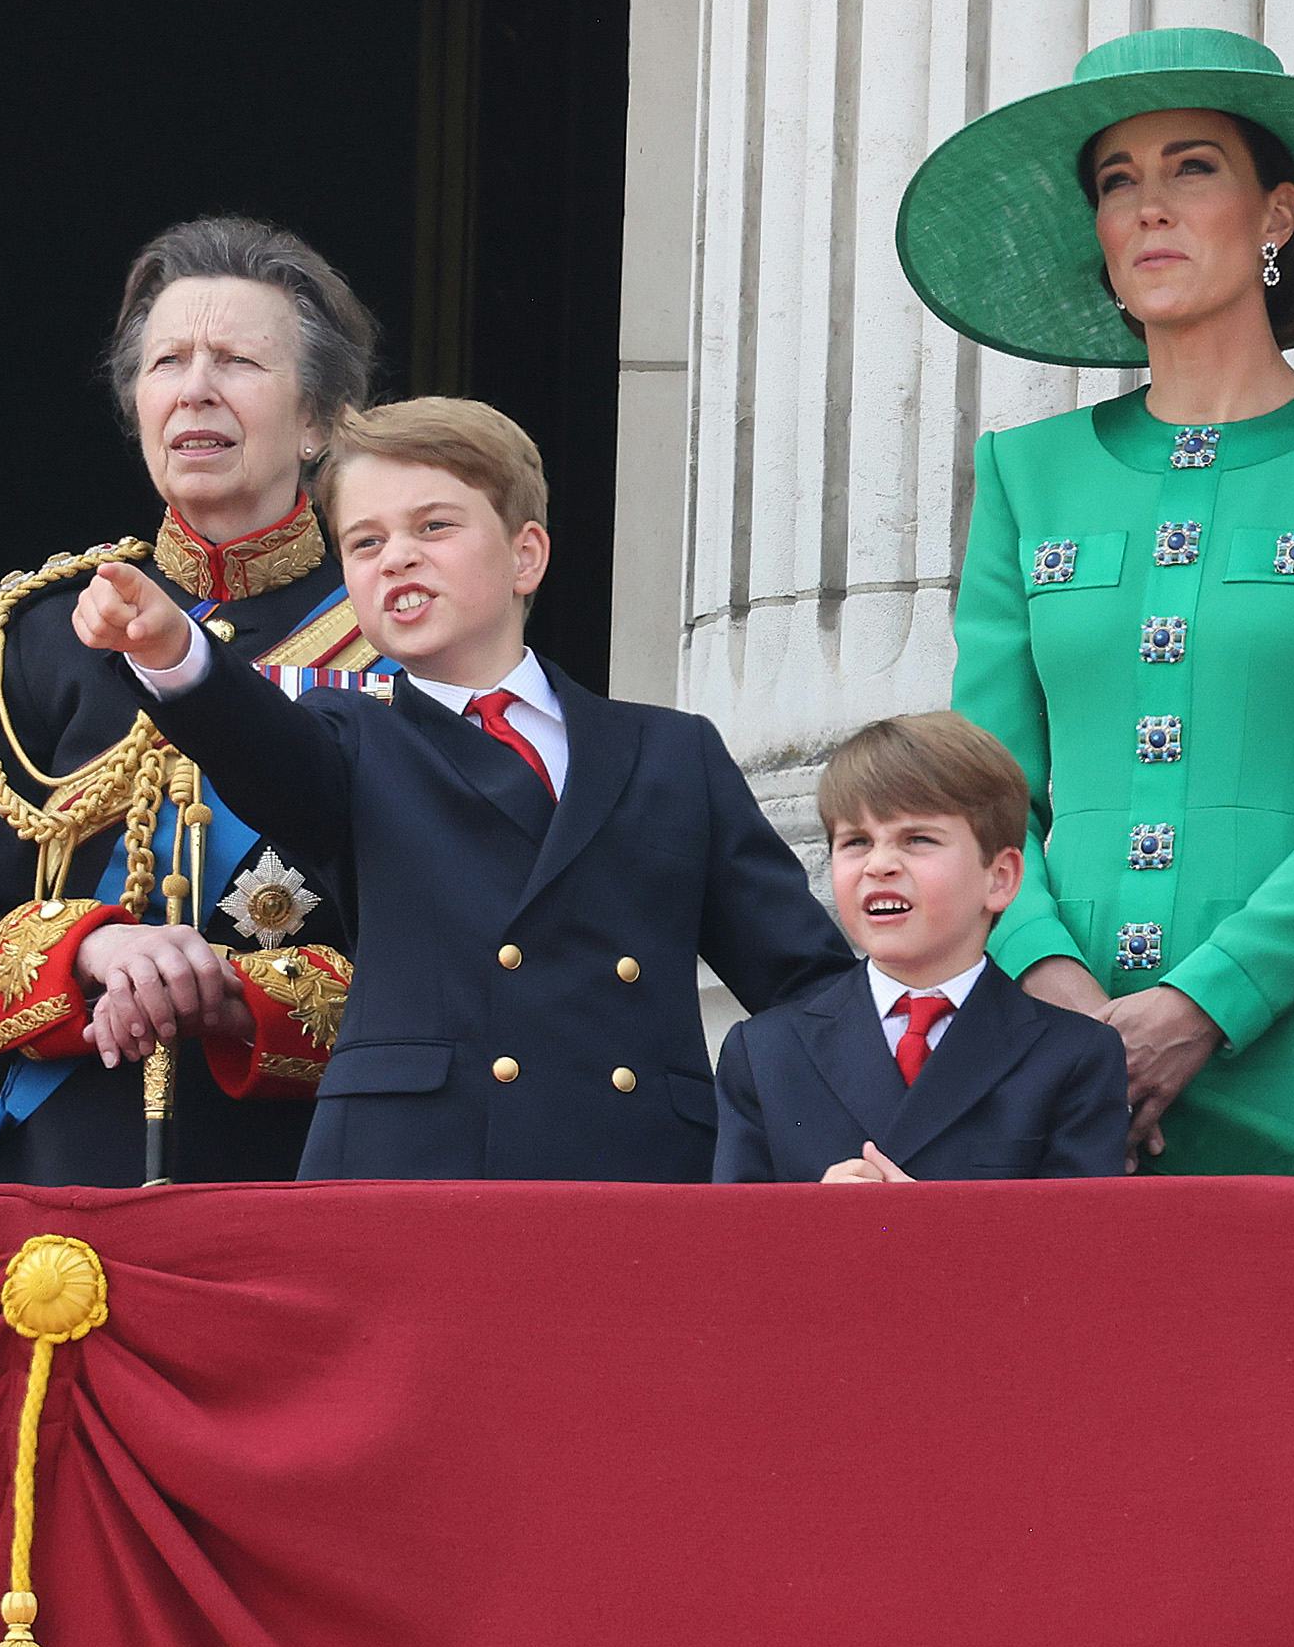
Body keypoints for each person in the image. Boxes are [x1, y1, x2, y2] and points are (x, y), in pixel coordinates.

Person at [901, 28, 1294, 1174]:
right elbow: (985, 792)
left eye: (1193, 167)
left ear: (1277, 213)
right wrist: (1056, 989)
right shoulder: (1026, 472)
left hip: (1283, 1050)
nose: (1151, 207)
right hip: (1044, 1045)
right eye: (1118, 182)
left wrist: (1205, 1001)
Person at [73, 397, 853, 1180]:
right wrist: (175, 651)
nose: (396, 558)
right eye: (366, 541)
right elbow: (260, 745)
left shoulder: (674, 754)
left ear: (525, 556)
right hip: (409, 1175)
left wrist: (832, 1156)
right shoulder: (348, 737)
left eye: (434, 526)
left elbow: (803, 987)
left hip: (638, 1171)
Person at [0, 217, 387, 1185]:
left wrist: (235, 997)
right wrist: (93, 951)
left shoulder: (399, 635)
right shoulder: (40, 637)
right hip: (66, 1182)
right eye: (167, 362)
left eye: (238, 362)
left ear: (319, 422)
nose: (195, 389)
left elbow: (456, 971)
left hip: (305, 1180)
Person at [716, 712, 1135, 1183]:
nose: (879, 864)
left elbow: (1079, 1228)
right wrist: (812, 1216)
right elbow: (731, 1226)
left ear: (1000, 878)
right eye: (856, 841)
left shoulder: (1074, 1055)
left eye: (917, 839)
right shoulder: (766, 1052)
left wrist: (924, 1220)